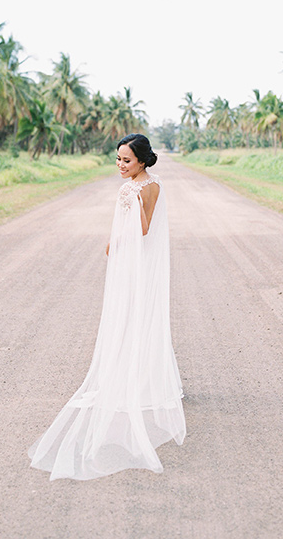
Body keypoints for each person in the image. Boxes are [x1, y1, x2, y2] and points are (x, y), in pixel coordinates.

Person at [28, 134, 186, 480]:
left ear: (142, 161)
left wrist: (117, 239)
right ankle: (141, 377)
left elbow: (143, 228)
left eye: (126, 161)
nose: (120, 166)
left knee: (132, 314)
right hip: (136, 259)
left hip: (135, 259)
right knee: (133, 316)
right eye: (117, 159)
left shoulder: (139, 188)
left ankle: (134, 379)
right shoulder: (146, 184)